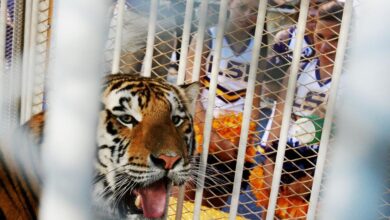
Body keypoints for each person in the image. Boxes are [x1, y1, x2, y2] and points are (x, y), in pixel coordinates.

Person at [250, 1, 345, 219]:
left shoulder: (354, 81)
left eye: (334, 39)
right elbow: (279, 117)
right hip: (286, 157)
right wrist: (270, 163)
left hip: (325, 173)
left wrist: (314, 179)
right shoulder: (301, 68)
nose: (324, 46)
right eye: (320, 37)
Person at [184, 0, 269, 217]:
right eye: (242, 7)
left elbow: (255, 97)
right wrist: (209, 133)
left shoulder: (259, 45)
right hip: (201, 124)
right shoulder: (208, 37)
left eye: (255, 11)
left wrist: (245, 137)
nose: (248, 15)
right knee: (184, 193)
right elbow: (189, 90)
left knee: (215, 199)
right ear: (229, 5)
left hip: (234, 133)